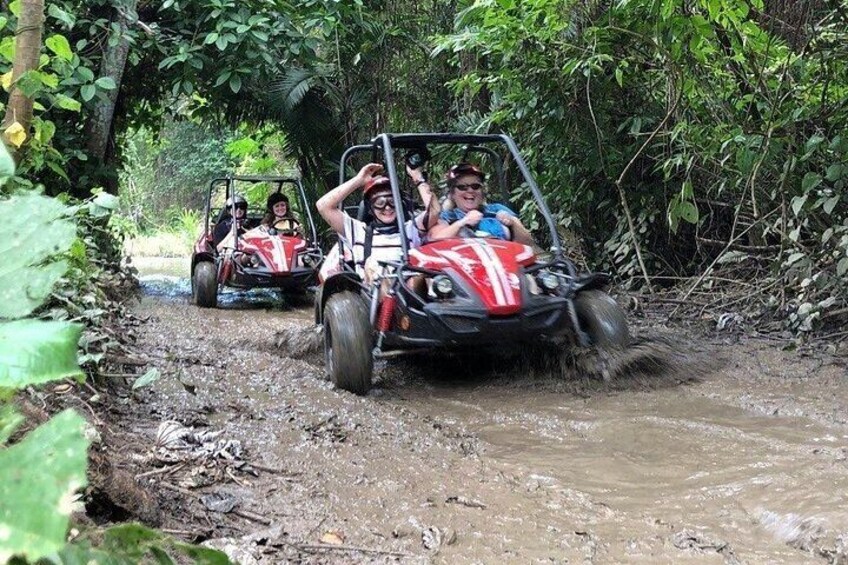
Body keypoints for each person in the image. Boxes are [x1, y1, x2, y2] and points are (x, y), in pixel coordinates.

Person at [316, 162, 439, 285]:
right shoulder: (358, 231)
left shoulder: (410, 229)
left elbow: (434, 211)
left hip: (410, 293)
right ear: (370, 208)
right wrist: (359, 180)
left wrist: (418, 177)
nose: (387, 208)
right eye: (380, 202)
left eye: (391, 201)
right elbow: (323, 206)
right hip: (372, 296)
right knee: (373, 265)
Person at [429, 163, 534, 245]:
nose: (470, 190)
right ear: (452, 194)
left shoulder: (497, 209)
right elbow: (434, 239)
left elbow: (528, 244)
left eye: (475, 186)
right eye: (462, 187)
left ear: (482, 191)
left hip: (503, 263)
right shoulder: (447, 216)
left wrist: (513, 223)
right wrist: (463, 222)